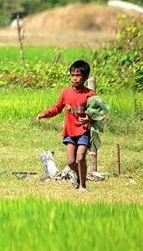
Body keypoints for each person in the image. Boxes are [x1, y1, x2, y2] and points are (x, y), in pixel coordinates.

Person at [36, 60, 95, 191]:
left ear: (85, 77)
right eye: (72, 75)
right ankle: (80, 178)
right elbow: (57, 108)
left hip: (83, 131)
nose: (74, 78)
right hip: (70, 132)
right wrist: (44, 114)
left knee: (80, 158)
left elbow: (98, 113)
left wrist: (90, 118)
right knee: (70, 162)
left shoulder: (90, 95)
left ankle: (83, 186)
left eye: (78, 75)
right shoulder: (66, 92)